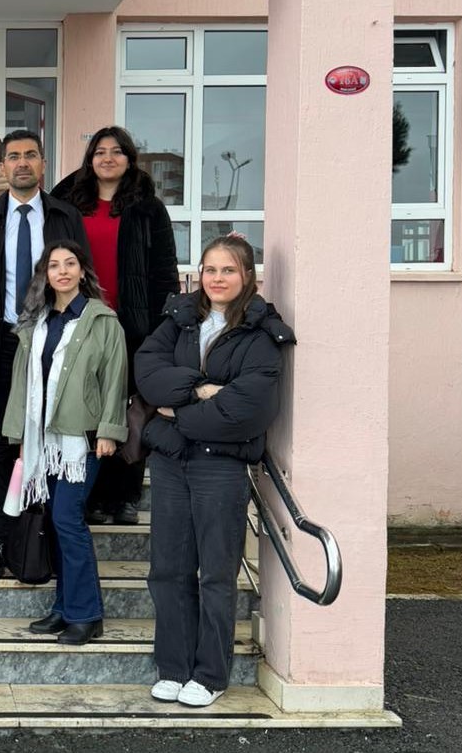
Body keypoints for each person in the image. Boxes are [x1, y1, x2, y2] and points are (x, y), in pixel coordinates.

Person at [135, 234, 294, 708]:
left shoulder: (262, 334)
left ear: (247, 276)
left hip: (220, 467)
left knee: (216, 575)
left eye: (228, 270)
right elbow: (148, 373)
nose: (217, 278)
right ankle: (173, 667)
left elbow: (247, 410)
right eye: (210, 269)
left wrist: (176, 411)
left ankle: (210, 674)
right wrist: (202, 389)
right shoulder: (180, 320)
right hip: (171, 463)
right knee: (168, 569)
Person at [0, 129, 90, 577]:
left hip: (55, 342)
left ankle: (46, 542)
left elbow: (84, 281)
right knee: (1, 446)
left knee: (53, 444)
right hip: (1, 345)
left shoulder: (65, 217)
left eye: (30, 155)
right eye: (13, 156)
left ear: (43, 164)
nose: (21, 163)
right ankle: (0, 543)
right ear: (3, 167)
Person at [52, 126, 179, 526]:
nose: (108, 158)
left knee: (129, 412)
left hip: (133, 326)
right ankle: (91, 495)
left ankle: (124, 496)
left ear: (129, 158)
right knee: (88, 408)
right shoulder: (68, 202)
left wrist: (163, 328)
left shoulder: (147, 207)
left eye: (116, 151)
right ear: (90, 158)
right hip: (80, 322)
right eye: (100, 151)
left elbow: (164, 271)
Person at [3, 241, 127, 644]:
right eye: (54, 265)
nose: (62, 271)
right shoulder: (36, 322)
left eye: (70, 263)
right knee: (56, 523)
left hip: (81, 440)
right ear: (46, 274)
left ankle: (87, 614)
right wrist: (21, 435)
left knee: (66, 520)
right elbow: (23, 382)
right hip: (43, 439)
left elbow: (115, 378)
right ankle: (63, 608)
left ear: (82, 271)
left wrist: (109, 430)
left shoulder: (101, 320)